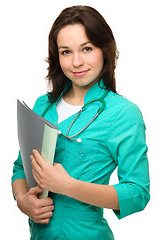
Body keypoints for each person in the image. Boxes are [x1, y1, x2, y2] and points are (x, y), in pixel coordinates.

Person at [12, 5, 150, 240]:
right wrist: (23, 201)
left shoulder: (123, 114)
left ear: (105, 50)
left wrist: (68, 186)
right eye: (66, 52)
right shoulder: (43, 105)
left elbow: (137, 193)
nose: (76, 62)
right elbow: (20, 168)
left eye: (86, 48)